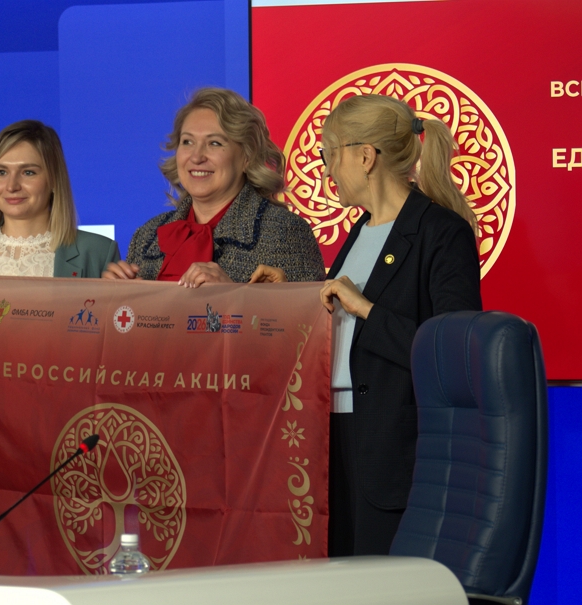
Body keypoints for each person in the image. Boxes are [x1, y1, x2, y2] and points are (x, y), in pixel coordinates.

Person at [254, 94, 482, 555]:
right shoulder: (361, 230)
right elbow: (344, 324)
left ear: (365, 156)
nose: (326, 170)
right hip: (333, 440)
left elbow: (452, 357)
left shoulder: (443, 232)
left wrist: (366, 309)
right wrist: (294, 295)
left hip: (395, 451)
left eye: (329, 154)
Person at [102, 87, 325, 287]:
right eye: (187, 142)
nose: (196, 157)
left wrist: (232, 296)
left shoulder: (284, 232)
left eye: (214, 143)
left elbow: (308, 319)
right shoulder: (146, 236)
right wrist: (116, 300)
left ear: (247, 157)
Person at [0, 120, 119, 276]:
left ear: (54, 180)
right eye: (2, 172)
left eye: (28, 172)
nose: (11, 186)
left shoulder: (98, 252)